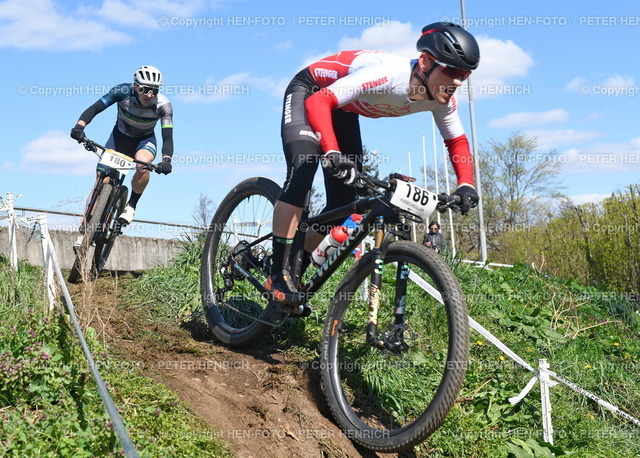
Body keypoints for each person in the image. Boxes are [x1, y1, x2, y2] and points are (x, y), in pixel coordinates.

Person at [265, 22, 480, 306]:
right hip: (312, 92)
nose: (457, 82)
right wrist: (331, 152)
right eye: (452, 71)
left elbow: (457, 141)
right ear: (426, 62)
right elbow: (320, 101)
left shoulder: (441, 100)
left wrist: (466, 184)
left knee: (342, 206)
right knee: (304, 169)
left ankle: (296, 267)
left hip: (342, 108)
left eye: (464, 75)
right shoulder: (388, 75)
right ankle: (277, 272)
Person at [70, 65, 174, 248]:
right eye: (144, 89)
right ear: (135, 86)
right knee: (101, 181)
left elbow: (167, 136)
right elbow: (95, 108)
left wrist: (166, 160)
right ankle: (85, 230)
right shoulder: (121, 91)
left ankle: (132, 205)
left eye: (154, 90)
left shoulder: (163, 106)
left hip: (144, 141)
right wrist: (79, 127)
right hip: (119, 138)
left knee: (143, 165)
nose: (149, 94)